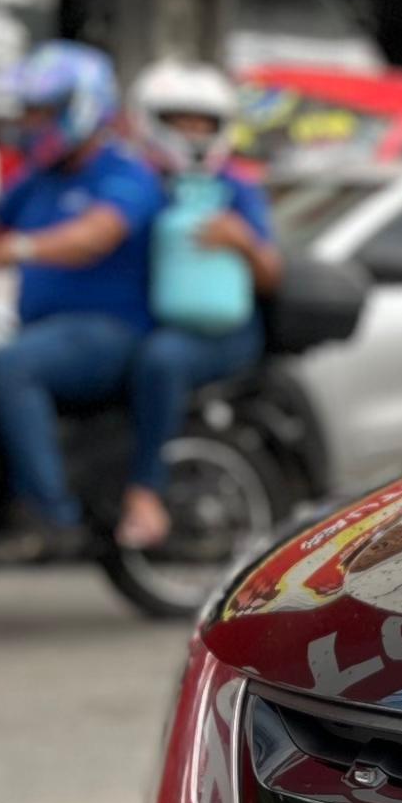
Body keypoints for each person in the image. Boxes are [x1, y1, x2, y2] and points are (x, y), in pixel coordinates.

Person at [0, 43, 162, 564]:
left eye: (42, 112)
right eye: (28, 111)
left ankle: (51, 514)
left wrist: (14, 249)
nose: (31, 124)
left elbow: (96, 235)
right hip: (44, 330)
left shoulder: (123, 171)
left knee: (12, 366)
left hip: (111, 332)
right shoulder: (38, 177)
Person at [120, 60, 282, 553]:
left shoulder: (236, 189)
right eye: (180, 121)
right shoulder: (135, 181)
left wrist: (243, 242)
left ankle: (145, 491)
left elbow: (272, 274)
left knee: (162, 360)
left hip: (224, 333)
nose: (192, 133)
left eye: (203, 123)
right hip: (147, 321)